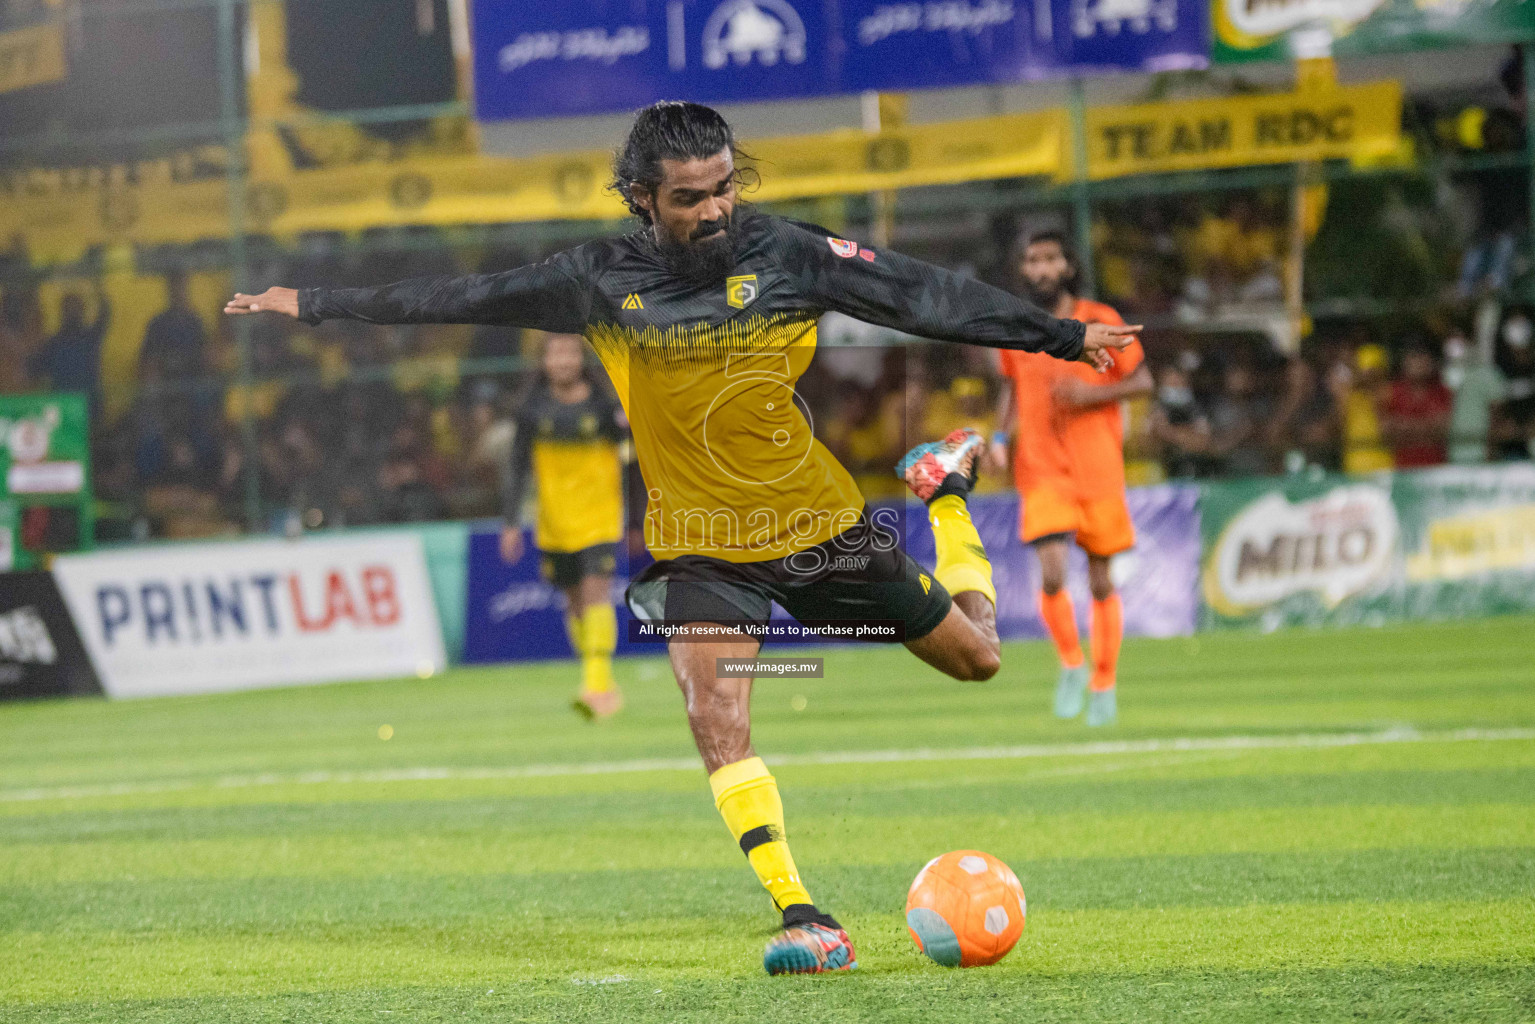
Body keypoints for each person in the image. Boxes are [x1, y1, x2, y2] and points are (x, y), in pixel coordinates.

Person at [224, 100, 1134, 976]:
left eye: (724, 187)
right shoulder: (598, 280)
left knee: (977, 657)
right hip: (698, 543)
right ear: (642, 200)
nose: (714, 210)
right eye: (690, 197)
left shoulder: (788, 252)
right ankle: (803, 915)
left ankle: (944, 493)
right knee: (714, 715)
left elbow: (917, 293)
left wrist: (1058, 335)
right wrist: (312, 302)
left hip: (818, 526)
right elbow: (456, 294)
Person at [989, 231, 1151, 727]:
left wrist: (1089, 397)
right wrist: (999, 436)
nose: (1040, 269)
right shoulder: (1018, 328)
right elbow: (1012, 388)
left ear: (1067, 267)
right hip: (1040, 469)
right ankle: (1071, 663)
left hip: (1097, 470)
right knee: (1053, 572)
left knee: (1101, 581)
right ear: (1023, 270)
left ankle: (1104, 682)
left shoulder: (1101, 320)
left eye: (1050, 259)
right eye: (1032, 260)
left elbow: (1142, 380)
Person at [500, 333, 629, 719]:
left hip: (600, 518)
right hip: (554, 523)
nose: (563, 361)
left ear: (581, 360)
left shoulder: (605, 407)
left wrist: (638, 514)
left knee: (595, 596)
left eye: (570, 353)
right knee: (574, 605)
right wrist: (510, 522)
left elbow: (630, 457)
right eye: (555, 354)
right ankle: (600, 681)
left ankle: (595, 686)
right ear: (543, 361)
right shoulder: (530, 411)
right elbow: (518, 467)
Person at [29, 285, 110, 421]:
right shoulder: (53, 343)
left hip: (89, 407)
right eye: (69, 309)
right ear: (63, 312)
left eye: (76, 308)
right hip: (63, 408)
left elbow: (105, 314)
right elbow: (35, 369)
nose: (72, 313)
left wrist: (97, 285)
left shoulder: (90, 337)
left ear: (82, 310)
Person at [1383, 342, 1452, 468]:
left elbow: (1443, 428)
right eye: (1414, 358)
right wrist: (1427, 426)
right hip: (1403, 469)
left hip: (1436, 466)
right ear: (1404, 363)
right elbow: (1387, 430)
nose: (1419, 363)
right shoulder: (1392, 391)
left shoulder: (1443, 391)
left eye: (1423, 357)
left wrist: (1406, 427)